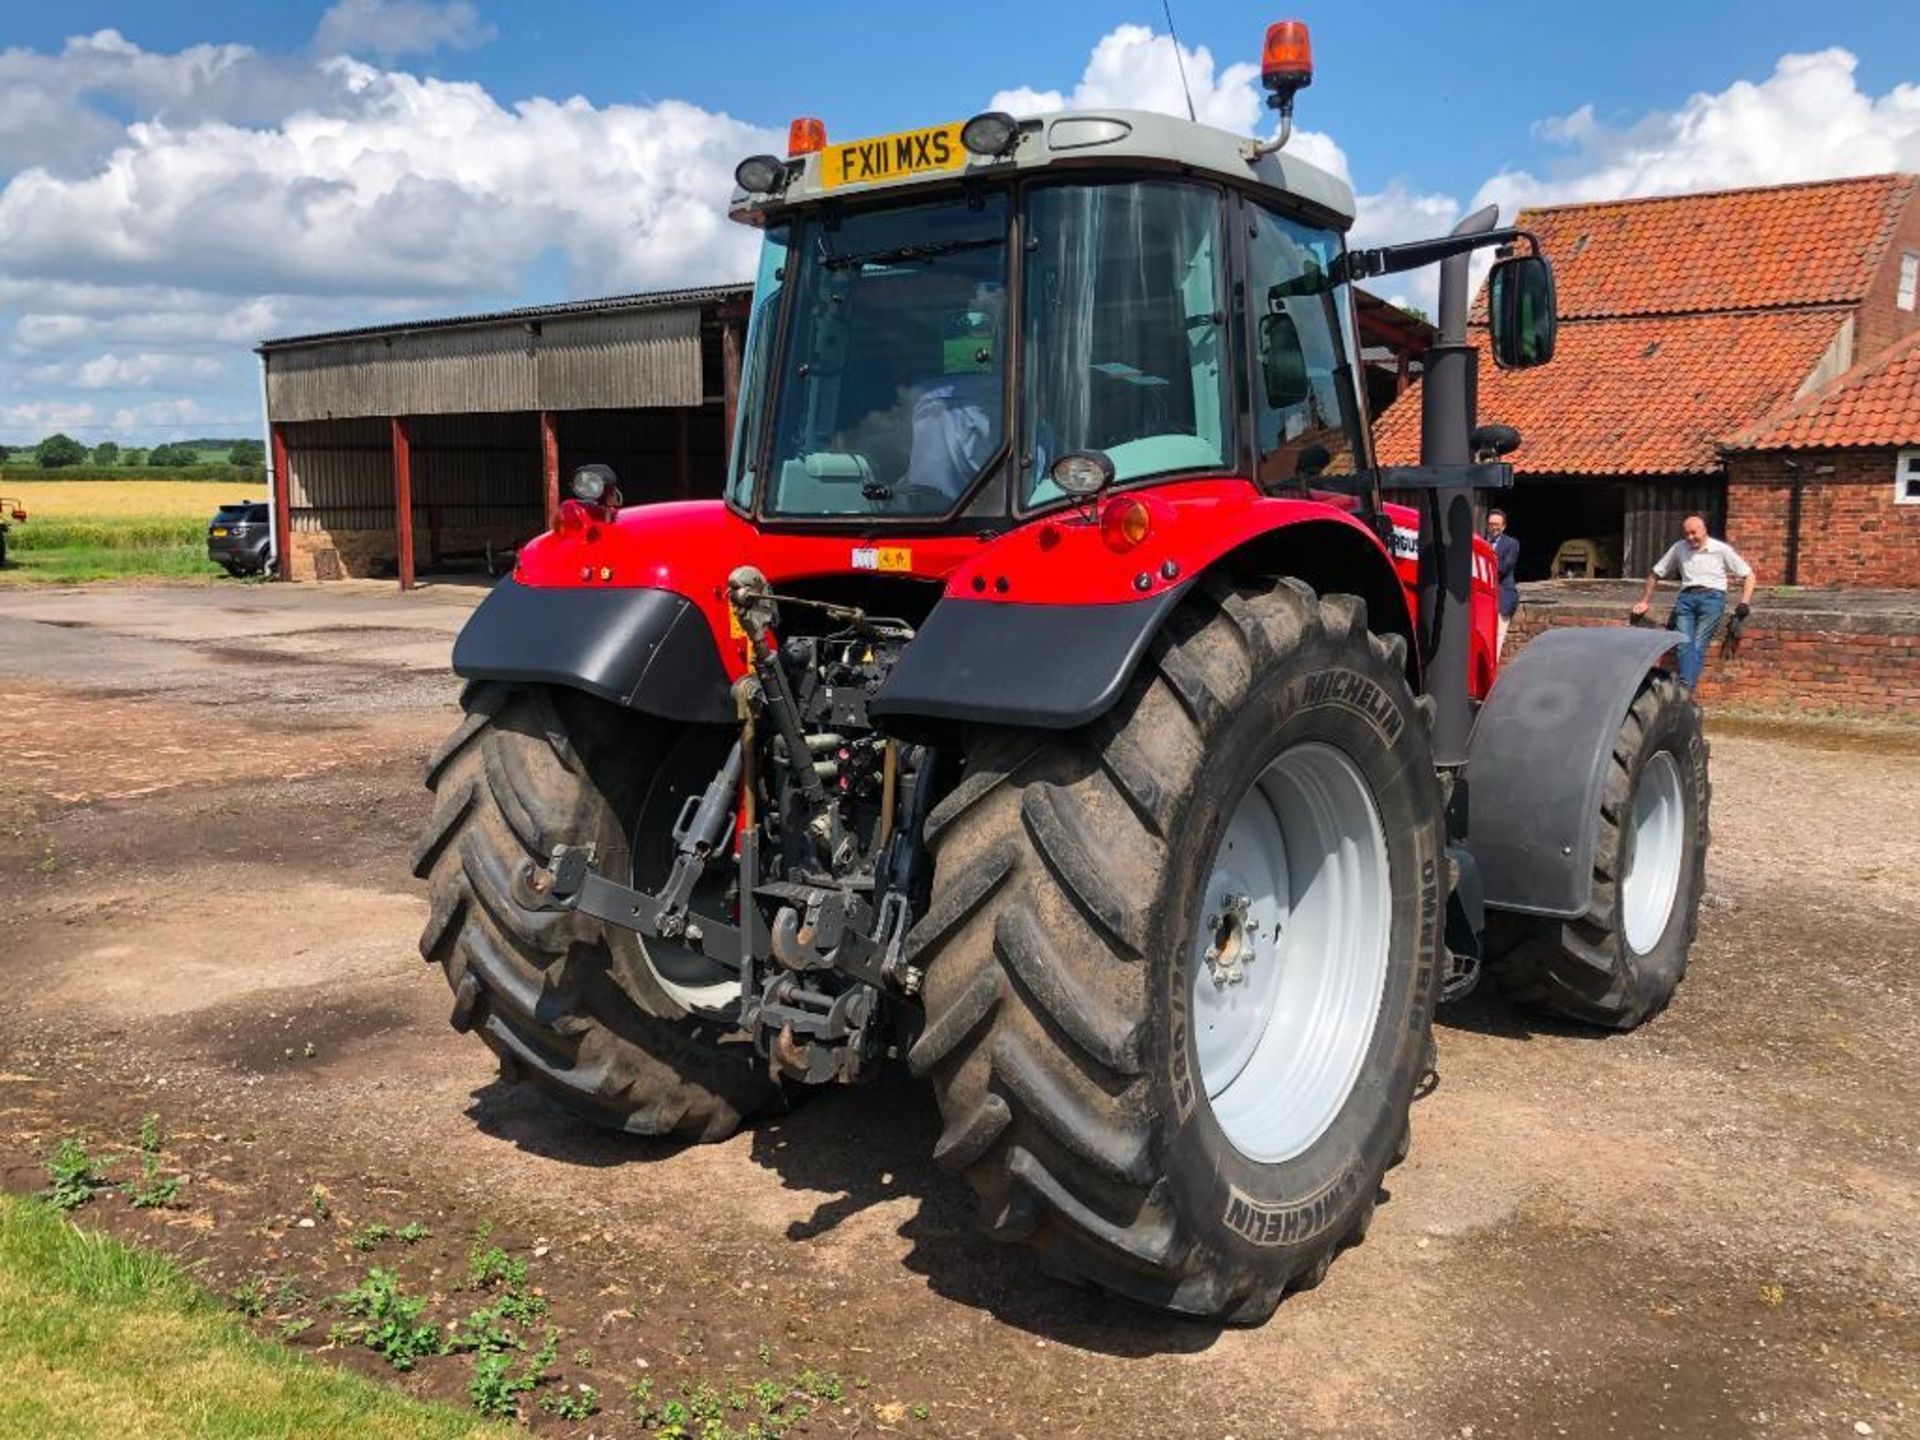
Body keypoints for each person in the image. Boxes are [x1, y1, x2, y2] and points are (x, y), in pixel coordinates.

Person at [1632, 515, 1756, 688]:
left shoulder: (1720, 549)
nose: (1690, 537)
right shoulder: (1679, 548)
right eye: (1686, 534)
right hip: (1686, 599)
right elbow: (1656, 573)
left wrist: (1744, 602)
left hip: (1712, 599)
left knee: (1698, 644)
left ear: (1704, 530)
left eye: (1693, 532)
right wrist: (1644, 601)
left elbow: (1748, 574)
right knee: (1683, 642)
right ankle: (1686, 689)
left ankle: (1684, 687)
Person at [1487, 508, 1520, 657]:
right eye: (1491, 524)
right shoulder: (1480, 541)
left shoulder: (1511, 543)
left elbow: (1504, 567)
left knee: (1497, 637)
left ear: (1504, 526)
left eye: (1497, 524)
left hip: (1502, 595)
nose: (1493, 527)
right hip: (1482, 597)